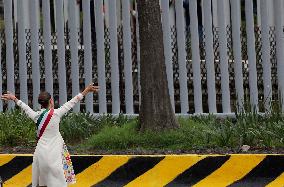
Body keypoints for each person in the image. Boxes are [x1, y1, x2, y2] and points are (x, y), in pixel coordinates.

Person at [1, 83, 99, 187]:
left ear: (40, 104)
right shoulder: (57, 113)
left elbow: (25, 107)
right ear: (51, 101)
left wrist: (14, 98)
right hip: (56, 152)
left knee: (42, 182)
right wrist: (86, 90)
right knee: (58, 181)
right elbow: (73, 101)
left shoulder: (35, 116)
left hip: (41, 153)